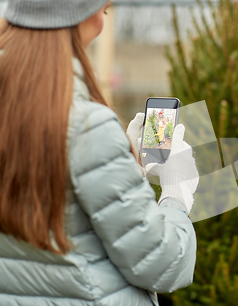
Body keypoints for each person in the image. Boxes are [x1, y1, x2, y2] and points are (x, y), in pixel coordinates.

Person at [0, 1, 198, 305]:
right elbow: (162, 264)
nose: (102, 21)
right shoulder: (86, 126)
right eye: (104, 10)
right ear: (87, 15)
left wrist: (122, 162)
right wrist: (176, 193)